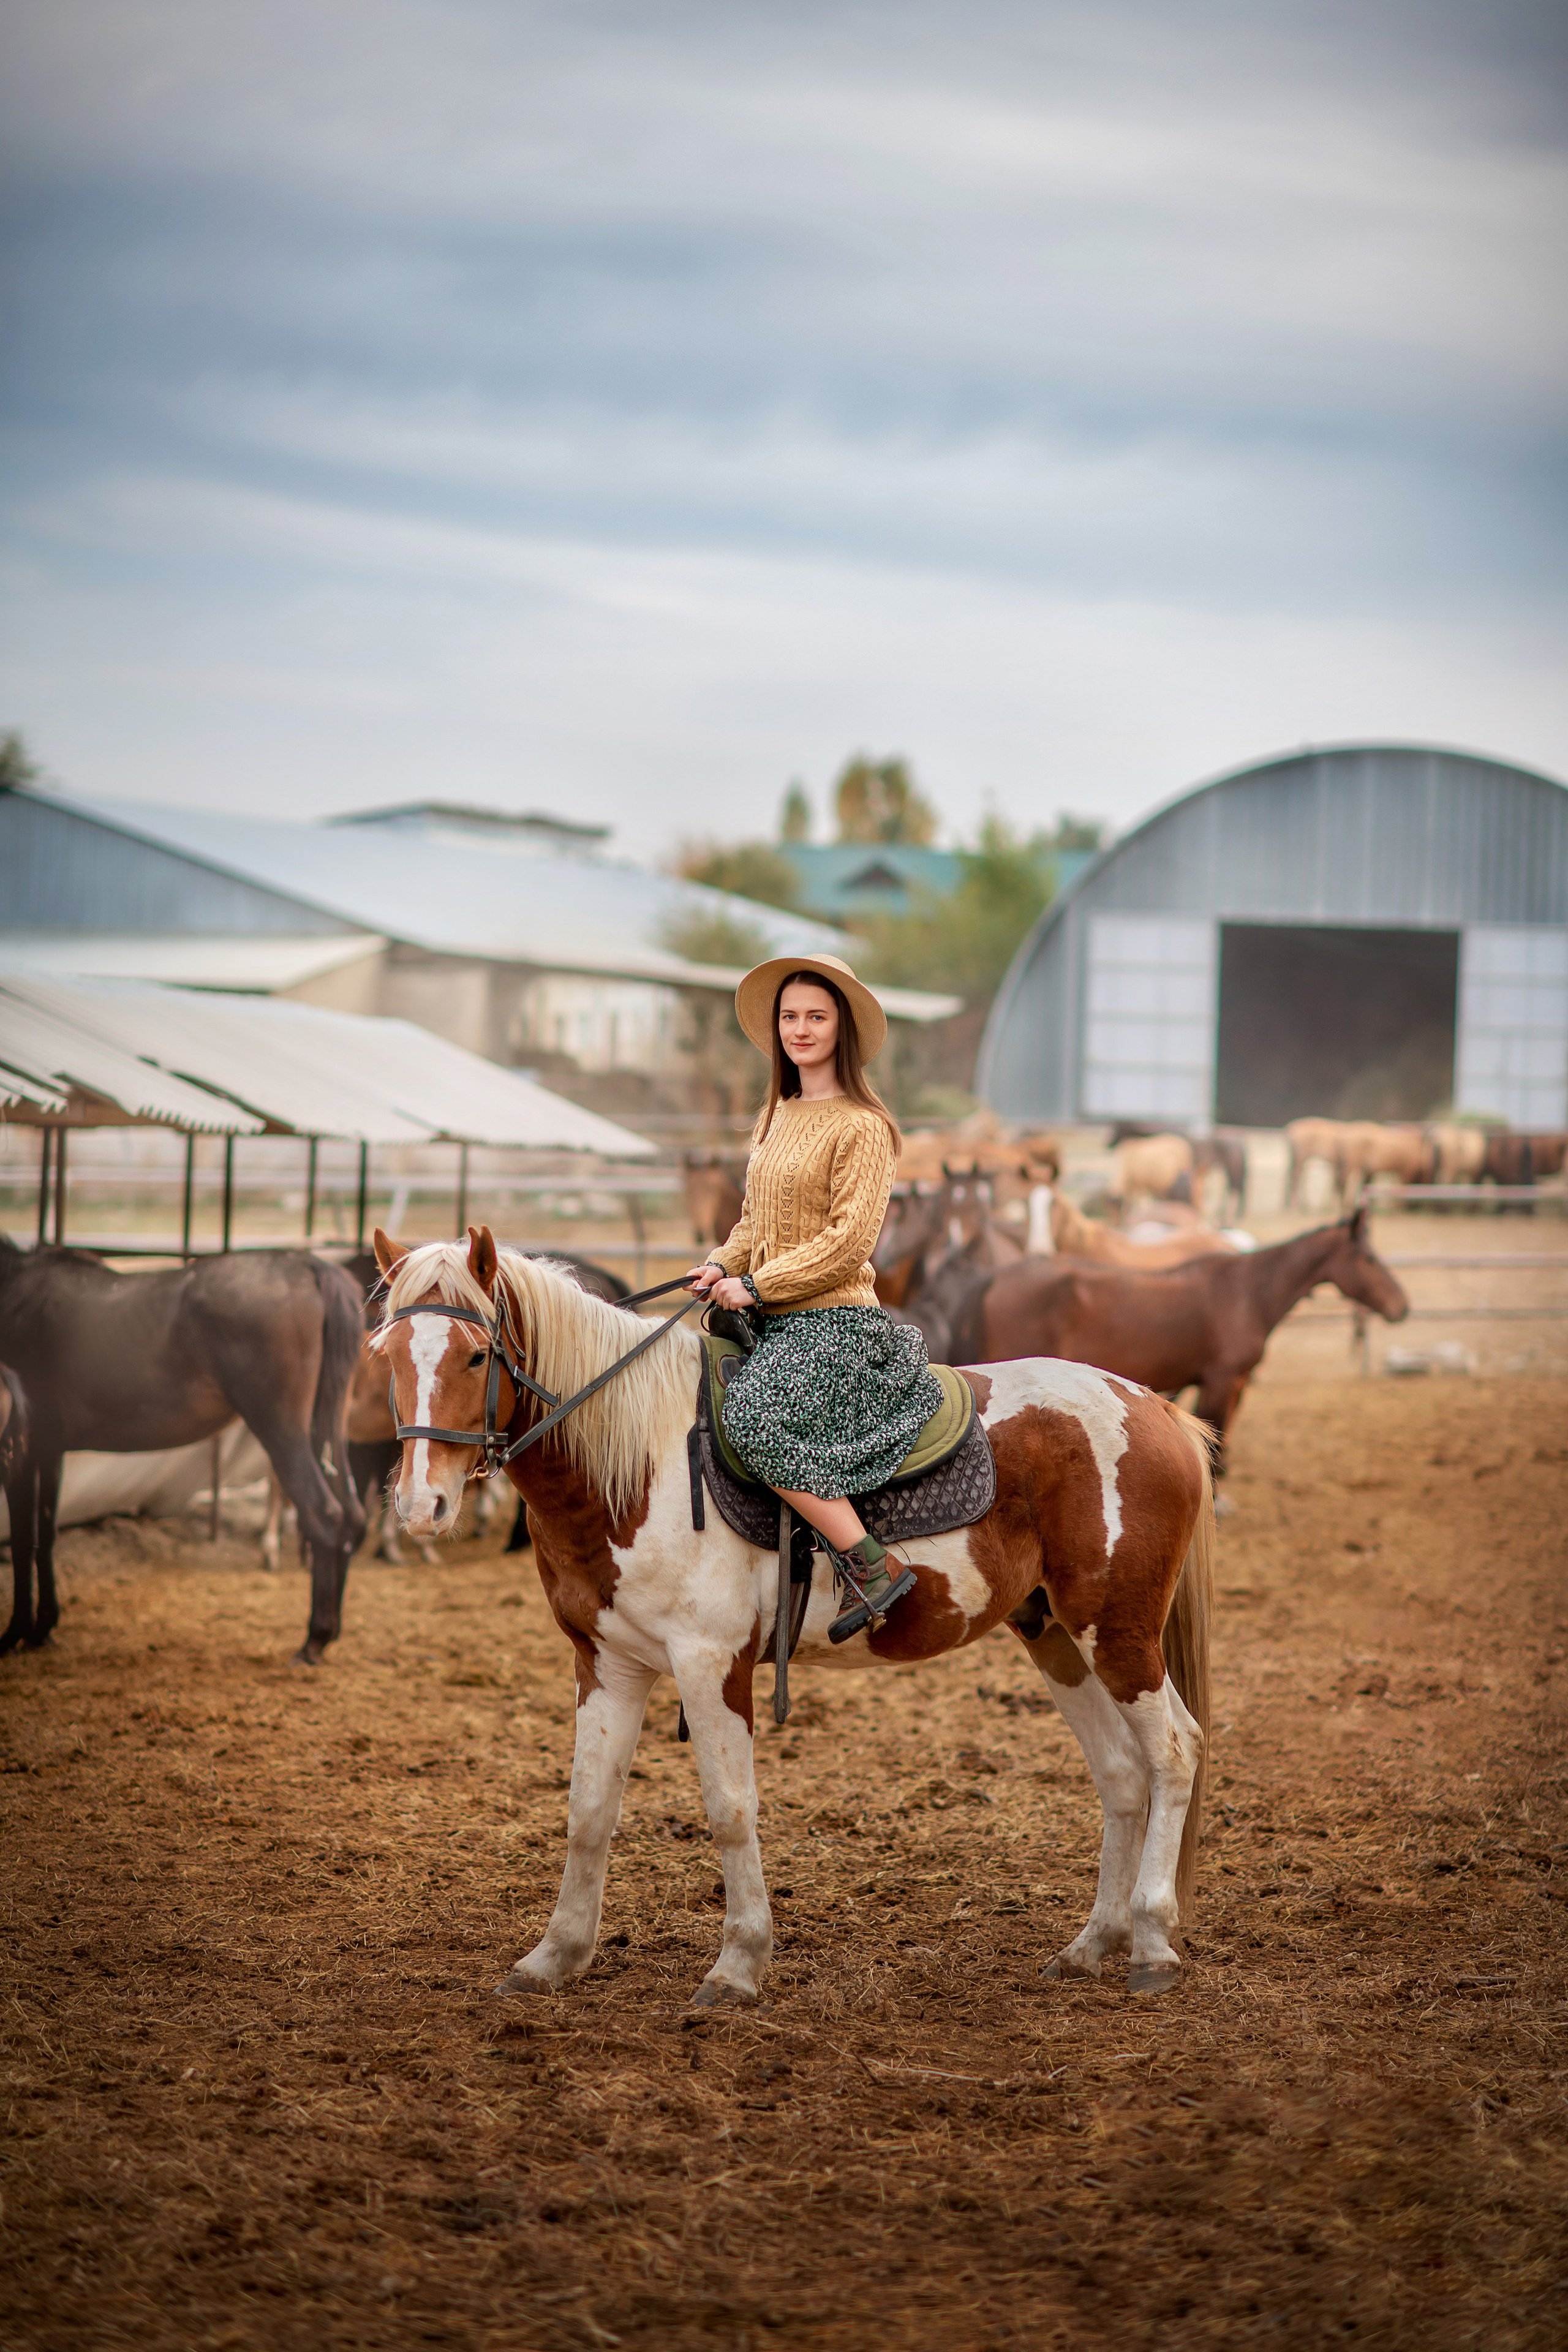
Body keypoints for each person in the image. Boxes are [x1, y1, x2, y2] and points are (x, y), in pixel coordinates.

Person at [688, 953, 943, 1641]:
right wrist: (719, 1265)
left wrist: (756, 1285)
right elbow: (754, 1221)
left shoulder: (864, 1126)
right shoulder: (776, 1114)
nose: (800, 1030)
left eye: (816, 1017)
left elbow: (848, 1242)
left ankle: (871, 1565)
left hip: (834, 1322)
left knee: (754, 1420)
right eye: (789, 1017)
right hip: (768, 1318)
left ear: (842, 1030)